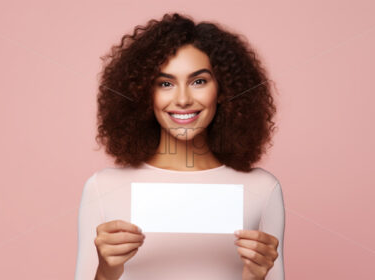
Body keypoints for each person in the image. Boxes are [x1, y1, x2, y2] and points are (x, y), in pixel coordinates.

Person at [75, 12, 285, 280]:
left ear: (223, 90)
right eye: (165, 83)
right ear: (144, 94)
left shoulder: (263, 189)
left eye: (199, 81)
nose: (183, 99)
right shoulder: (102, 188)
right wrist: (106, 272)